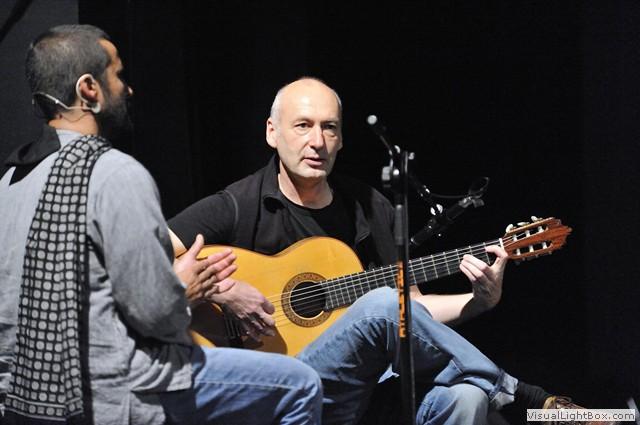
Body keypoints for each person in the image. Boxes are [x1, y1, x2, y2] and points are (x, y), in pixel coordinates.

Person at [0, 25, 322, 425]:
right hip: (117, 389)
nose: (128, 90)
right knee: (300, 384)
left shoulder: (10, 182)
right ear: (89, 90)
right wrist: (184, 287)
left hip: (25, 396)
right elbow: (156, 316)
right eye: (118, 76)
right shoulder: (115, 173)